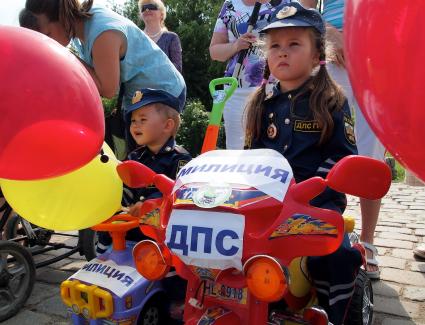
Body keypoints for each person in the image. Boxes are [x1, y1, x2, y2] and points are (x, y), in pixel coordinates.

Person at [244, 3, 362, 324]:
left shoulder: (332, 100)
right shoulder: (260, 103)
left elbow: (344, 157)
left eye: (294, 44)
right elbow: (249, 158)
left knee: (338, 256)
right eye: (275, 46)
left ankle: (337, 316)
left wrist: (313, 192)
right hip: (265, 207)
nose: (282, 52)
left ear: (316, 55)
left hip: (316, 207)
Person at [19, 0, 186, 152]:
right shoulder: (81, 26)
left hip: (162, 91)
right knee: (139, 161)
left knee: (155, 160)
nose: (51, 43)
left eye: (48, 35)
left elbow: (107, 89)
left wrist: (66, 55)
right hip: (139, 99)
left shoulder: (102, 32)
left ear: (62, 16)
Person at [300, 0, 386, 280]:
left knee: (371, 152)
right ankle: (314, 231)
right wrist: (329, 33)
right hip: (333, 55)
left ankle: (368, 241)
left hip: (379, 52)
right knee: (317, 145)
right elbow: (306, 6)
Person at [96, 88, 192, 254]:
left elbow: (179, 195)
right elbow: (123, 188)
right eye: (133, 120)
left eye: (143, 119)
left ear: (167, 125)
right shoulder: (134, 157)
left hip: (160, 243)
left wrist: (149, 205)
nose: (135, 125)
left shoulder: (180, 160)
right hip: (127, 236)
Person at [209, 0, 286, 150]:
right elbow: (214, 51)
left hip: (277, 90)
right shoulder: (230, 5)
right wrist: (235, 45)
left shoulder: (285, 3)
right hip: (236, 91)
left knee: (274, 150)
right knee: (236, 152)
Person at [139, 0, 183, 73]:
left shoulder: (172, 38)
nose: (147, 10)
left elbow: (177, 69)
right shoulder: (135, 39)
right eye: (143, 8)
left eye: (151, 7)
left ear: (161, 14)